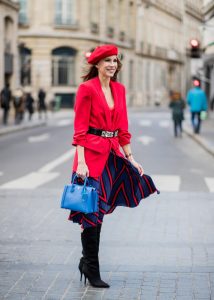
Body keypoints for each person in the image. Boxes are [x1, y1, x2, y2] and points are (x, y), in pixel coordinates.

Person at [68, 44, 159, 288]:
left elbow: (123, 129)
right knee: (91, 212)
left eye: (115, 61)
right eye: (107, 60)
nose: (112, 64)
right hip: (90, 158)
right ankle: (92, 270)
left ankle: (86, 262)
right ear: (97, 64)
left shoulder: (119, 90)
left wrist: (131, 157)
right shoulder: (86, 89)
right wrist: (82, 163)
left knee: (99, 211)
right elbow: (80, 130)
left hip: (111, 156)